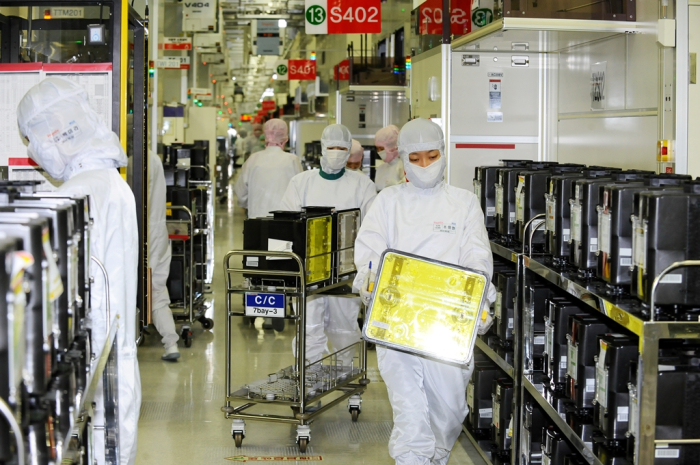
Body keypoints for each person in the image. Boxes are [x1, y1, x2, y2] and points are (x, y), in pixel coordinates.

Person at [353, 118, 495, 465]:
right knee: (410, 415)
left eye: (432, 156)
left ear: (444, 154)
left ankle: (437, 456)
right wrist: (370, 283)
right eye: (415, 159)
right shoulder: (387, 202)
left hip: (446, 326)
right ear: (402, 159)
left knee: (449, 412)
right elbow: (369, 253)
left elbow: (476, 254)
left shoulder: (463, 203)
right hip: (396, 321)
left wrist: (481, 301)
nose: (425, 166)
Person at [17, 77, 141, 465]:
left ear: (51, 134)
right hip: (112, 359)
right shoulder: (111, 184)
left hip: (90, 364)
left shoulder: (75, 194)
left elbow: (51, 292)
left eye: (33, 139)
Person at [280, 124, 376, 368]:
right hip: (309, 270)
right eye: (331, 147)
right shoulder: (301, 182)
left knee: (343, 329)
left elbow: (372, 229)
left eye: (342, 148)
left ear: (349, 152)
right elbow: (286, 226)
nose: (336, 152)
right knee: (308, 328)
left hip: (345, 271)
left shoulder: (362, 184)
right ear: (322, 148)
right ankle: (309, 383)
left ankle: (345, 378)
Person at [234, 118, 302, 330]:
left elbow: (240, 192)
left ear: (265, 136)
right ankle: (280, 303)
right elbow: (301, 193)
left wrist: (249, 203)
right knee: (281, 265)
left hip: (257, 225)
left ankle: (258, 304)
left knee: (257, 266)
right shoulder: (292, 161)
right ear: (285, 138)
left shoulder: (253, 160)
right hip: (284, 225)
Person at [147, 150, 181, 361]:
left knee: (131, 289)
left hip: (143, 233)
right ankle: (171, 344)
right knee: (157, 289)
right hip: (159, 232)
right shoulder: (153, 157)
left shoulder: (133, 160)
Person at [374, 125, 405, 191]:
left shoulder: (403, 166)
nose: (379, 152)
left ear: (393, 146)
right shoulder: (380, 168)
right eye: (377, 148)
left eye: (381, 148)